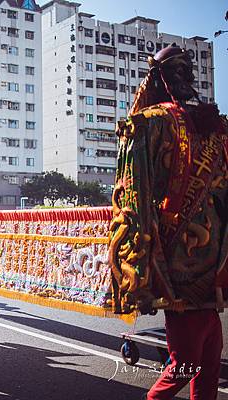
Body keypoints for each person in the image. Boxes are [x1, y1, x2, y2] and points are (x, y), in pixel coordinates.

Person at [108, 45, 228, 400]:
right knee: (189, 362)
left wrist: (139, 267)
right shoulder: (217, 126)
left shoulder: (150, 123)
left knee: (205, 358)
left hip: (188, 263)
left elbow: (133, 202)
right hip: (194, 264)